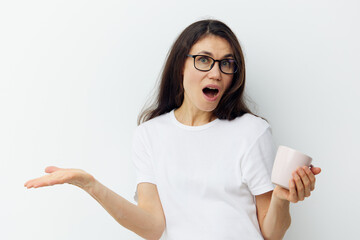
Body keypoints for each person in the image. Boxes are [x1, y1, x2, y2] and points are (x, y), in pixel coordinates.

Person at [24, 19, 321, 240]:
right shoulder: (149, 135)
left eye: (226, 64)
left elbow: (273, 233)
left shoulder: (252, 132)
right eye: (204, 60)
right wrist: (90, 185)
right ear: (181, 65)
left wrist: (282, 199)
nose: (216, 73)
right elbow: (153, 227)